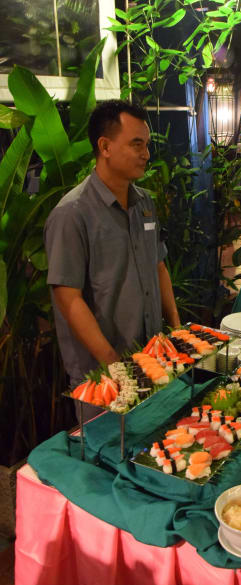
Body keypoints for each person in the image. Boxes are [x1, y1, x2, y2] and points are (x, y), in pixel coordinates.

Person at [44, 100, 180, 410]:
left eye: (146, 145)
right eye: (136, 144)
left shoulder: (144, 204)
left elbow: (158, 265)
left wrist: (176, 329)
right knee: (109, 441)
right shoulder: (72, 214)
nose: (146, 154)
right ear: (105, 147)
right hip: (103, 378)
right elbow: (68, 298)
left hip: (152, 360)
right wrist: (114, 364)